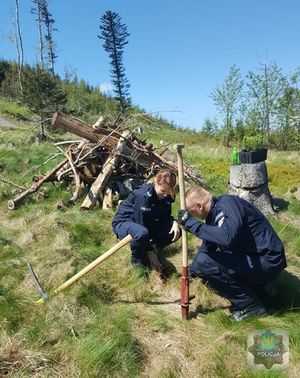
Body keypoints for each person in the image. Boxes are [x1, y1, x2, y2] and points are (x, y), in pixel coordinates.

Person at [177, 187, 286, 321]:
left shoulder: (228, 205)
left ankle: (250, 306)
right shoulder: (214, 215)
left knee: (204, 263)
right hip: (257, 259)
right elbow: (208, 247)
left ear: (199, 206)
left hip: (267, 260)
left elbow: (226, 237)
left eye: (192, 213)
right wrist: (191, 270)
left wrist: (191, 224)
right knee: (203, 264)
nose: (193, 216)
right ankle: (262, 290)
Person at [112, 169, 181, 272]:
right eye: (163, 191)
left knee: (176, 230)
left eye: (168, 192)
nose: (165, 195)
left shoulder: (166, 197)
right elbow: (140, 222)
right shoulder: (143, 195)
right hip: (125, 222)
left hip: (147, 222)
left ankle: (153, 248)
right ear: (156, 182)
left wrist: (174, 222)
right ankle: (138, 264)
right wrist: (149, 252)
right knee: (141, 233)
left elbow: (165, 217)